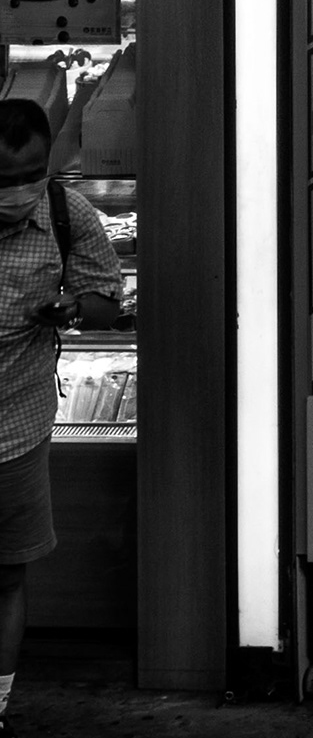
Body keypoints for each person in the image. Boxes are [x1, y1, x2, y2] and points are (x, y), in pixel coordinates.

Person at [0, 101, 115, 727]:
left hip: (16, 432)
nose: (18, 191)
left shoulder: (70, 217)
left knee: (6, 578)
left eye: (31, 175)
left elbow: (102, 301)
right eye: (3, 179)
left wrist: (70, 309)